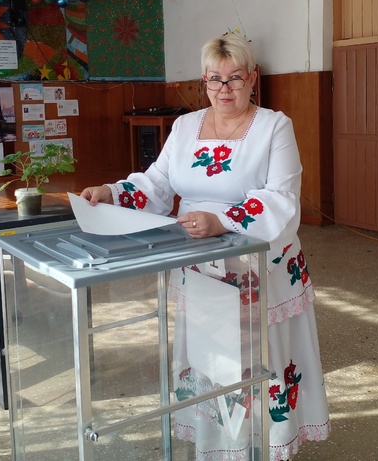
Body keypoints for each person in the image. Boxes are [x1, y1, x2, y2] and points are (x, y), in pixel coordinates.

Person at [81, 34, 330, 460]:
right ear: (204, 81)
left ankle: (266, 445)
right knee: (211, 354)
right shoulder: (185, 126)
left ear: (253, 78)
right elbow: (157, 183)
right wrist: (112, 192)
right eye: (215, 79)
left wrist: (223, 221)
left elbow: (282, 198)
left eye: (235, 78)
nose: (224, 88)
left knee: (260, 355)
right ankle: (219, 445)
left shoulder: (274, 126)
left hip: (259, 263)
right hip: (198, 263)